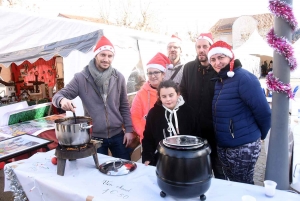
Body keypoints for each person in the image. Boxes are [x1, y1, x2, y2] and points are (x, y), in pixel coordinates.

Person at [52, 36, 134, 160]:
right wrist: (62, 101)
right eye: (103, 55)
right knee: (99, 171)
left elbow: (124, 105)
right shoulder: (81, 78)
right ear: (96, 55)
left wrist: (128, 129)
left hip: (118, 134)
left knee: (125, 166)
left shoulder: (118, 77)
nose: (106, 59)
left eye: (110, 56)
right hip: (95, 137)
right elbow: (57, 96)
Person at [207, 41, 271, 184]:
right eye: (213, 59)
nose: (217, 62)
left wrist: (259, 136)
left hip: (243, 146)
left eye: (221, 57)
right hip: (225, 145)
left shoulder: (244, 78)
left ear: (230, 57)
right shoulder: (220, 81)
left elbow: (264, 112)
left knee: (244, 186)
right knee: (234, 185)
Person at [180, 33, 225, 179]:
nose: (201, 50)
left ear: (210, 48)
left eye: (205, 46)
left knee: (218, 168)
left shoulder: (219, 69)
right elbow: (183, 93)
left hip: (215, 130)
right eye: (198, 47)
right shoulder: (188, 68)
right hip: (194, 129)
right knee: (196, 168)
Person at [142, 80, 198, 166]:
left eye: (171, 95)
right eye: (164, 96)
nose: (168, 99)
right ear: (159, 97)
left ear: (178, 94)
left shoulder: (189, 111)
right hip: (163, 159)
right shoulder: (153, 114)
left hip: (186, 159)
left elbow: (196, 136)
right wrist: (147, 156)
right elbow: (148, 138)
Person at [130, 53, 170, 141]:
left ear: (163, 74)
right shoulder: (141, 94)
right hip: (148, 140)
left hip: (169, 139)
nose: (152, 76)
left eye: (156, 72)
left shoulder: (170, 92)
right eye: (150, 73)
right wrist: (145, 133)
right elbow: (134, 117)